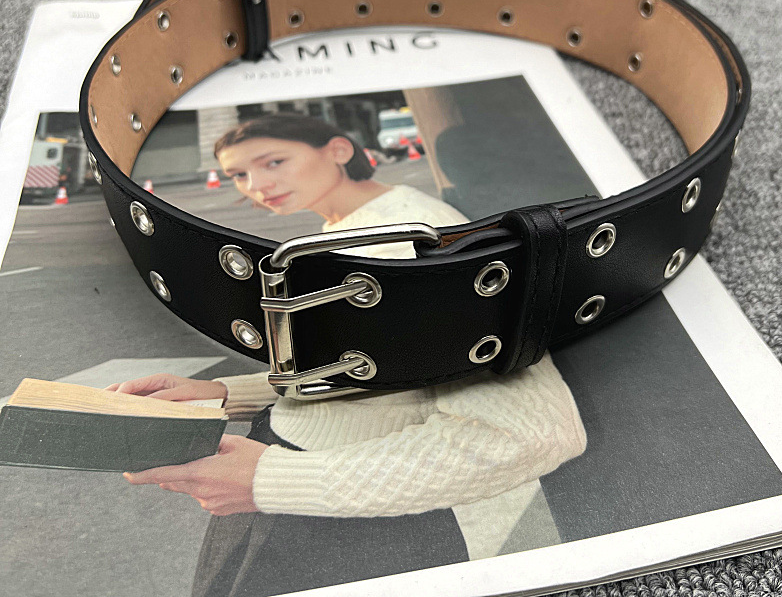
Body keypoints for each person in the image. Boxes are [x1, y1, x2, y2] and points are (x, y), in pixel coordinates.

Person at [108, 113, 586, 596]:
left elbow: (529, 435)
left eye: (274, 162)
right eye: (239, 174)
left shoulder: (410, 238)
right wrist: (226, 394)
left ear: (338, 150)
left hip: (350, 521)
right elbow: (378, 368)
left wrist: (272, 479)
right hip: (289, 484)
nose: (257, 185)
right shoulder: (349, 228)